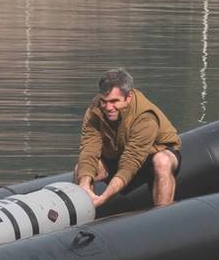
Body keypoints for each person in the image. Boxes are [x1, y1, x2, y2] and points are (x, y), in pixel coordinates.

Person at [75, 68, 181, 209]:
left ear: (129, 97)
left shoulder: (145, 117)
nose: (108, 107)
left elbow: (131, 162)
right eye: (104, 101)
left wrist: (104, 197)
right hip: (116, 154)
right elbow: (89, 149)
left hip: (150, 156)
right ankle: (83, 216)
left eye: (114, 101)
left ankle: (162, 214)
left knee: (162, 161)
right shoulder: (95, 110)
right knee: (81, 169)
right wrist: (84, 185)